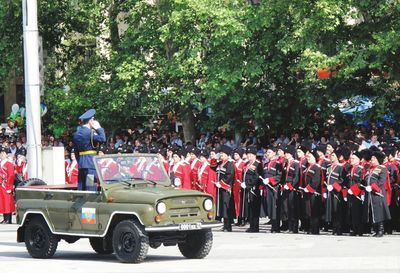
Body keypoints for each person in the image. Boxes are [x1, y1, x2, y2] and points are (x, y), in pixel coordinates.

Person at [72, 109, 106, 191]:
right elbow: (102, 138)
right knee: (91, 188)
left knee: (81, 189)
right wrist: (99, 128)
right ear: (90, 121)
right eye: (93, 120)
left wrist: (80, 161)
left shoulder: (76, 134)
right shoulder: (90, 132)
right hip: (90, 164)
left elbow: (76, 152)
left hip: (81, 164)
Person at [216, 145, 235, 232]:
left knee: (226, 206)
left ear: (227, 155)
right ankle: (224, 225)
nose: (221, 156)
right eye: (220, 154)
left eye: (222, 154)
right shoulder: (220, 163)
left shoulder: (229, 164)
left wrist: (221, 183)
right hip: (220, 187)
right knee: (221, 206)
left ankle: (228, 226)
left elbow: (229, 176)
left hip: (226, 187)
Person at [0, 146, 15, 224]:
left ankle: (8, 219)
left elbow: (11, 175)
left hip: (6, 186)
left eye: (3, 153)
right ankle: (4, 218)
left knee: (7, 202)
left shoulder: (9, 164)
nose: (2, 154)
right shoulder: (1, 163)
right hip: (1, 186)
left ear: (6, 154)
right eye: (1, 153)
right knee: (2, 202)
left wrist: (9, 186)